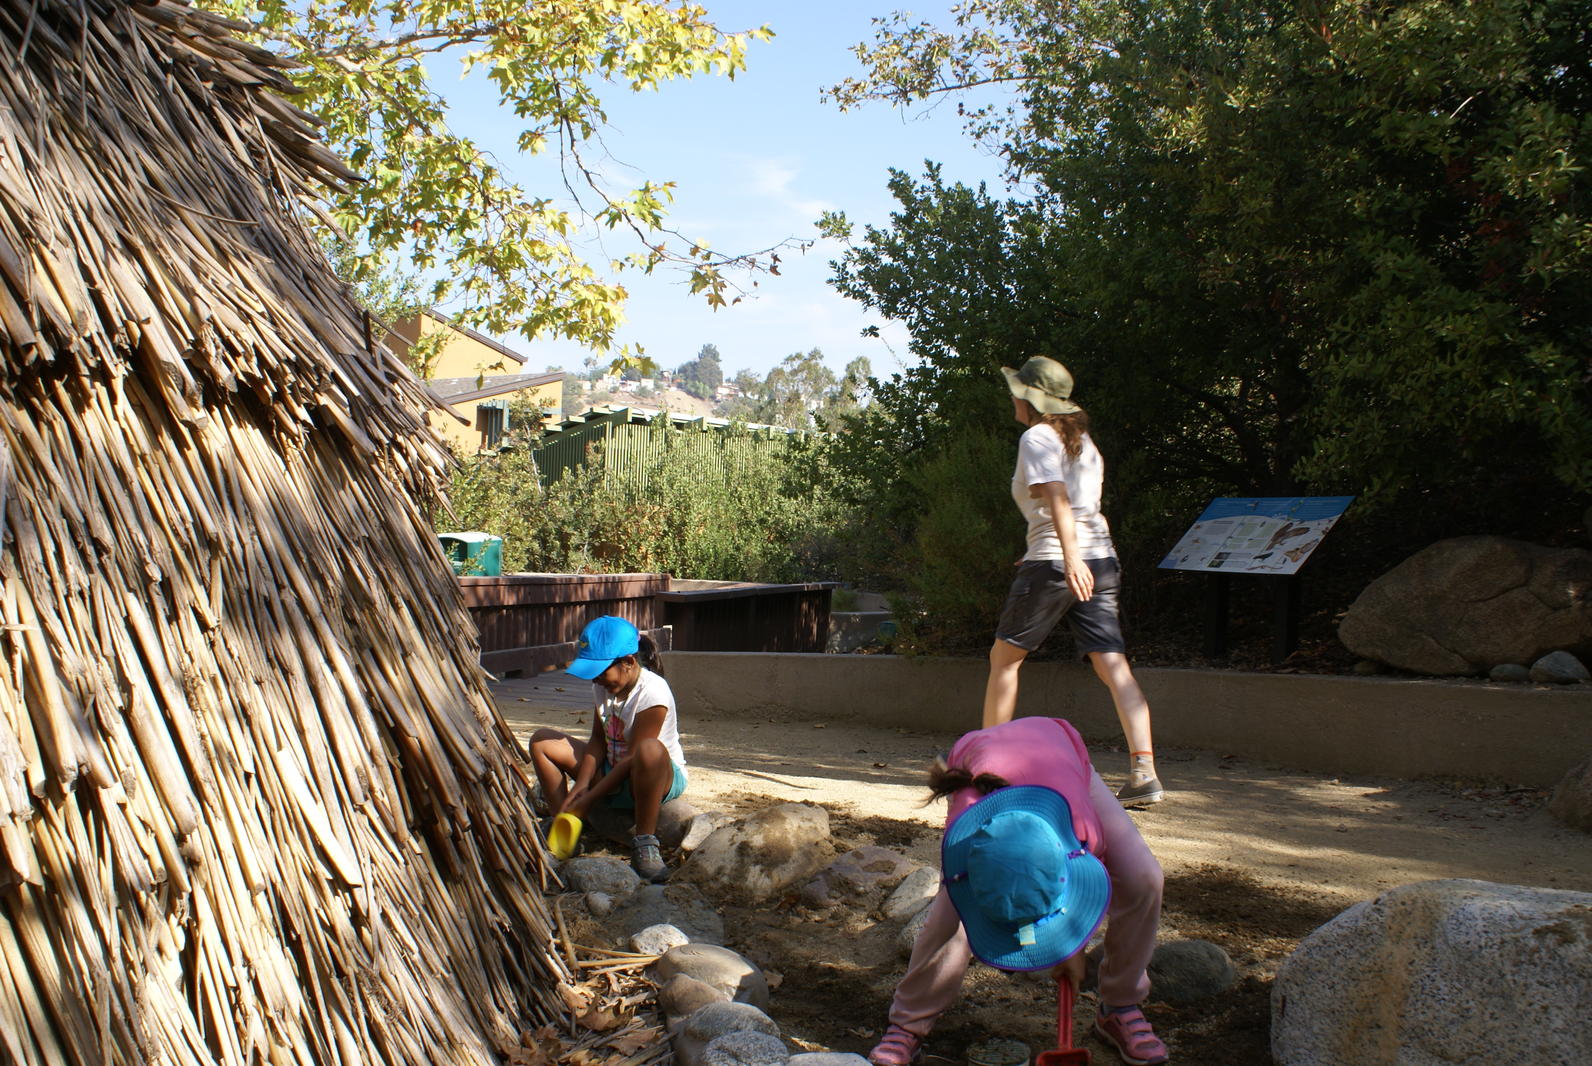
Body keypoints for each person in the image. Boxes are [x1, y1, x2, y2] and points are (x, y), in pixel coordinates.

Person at [867, 716, 1168, 1066]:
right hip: (980, 765)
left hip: (1060, 757)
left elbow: (1084, 897)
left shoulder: (1083, 833)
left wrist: (1071, 950)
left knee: (1143, 877)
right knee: (951, 918)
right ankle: (908, 1024)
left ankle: (1120, 1005)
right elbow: (966, 900)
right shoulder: (965, 841)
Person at [984, 355, 1164, 806]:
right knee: (1113, 665)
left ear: (1030, 397)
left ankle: (986, 768)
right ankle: (1145, 772)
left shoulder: (1036, 437)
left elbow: (1060, 501)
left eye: (1017, 390)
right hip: (1100, 558)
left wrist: (1065, 557)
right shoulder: (1084, 441)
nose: (1012, 396)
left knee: (1004, 660)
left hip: (1064, 561)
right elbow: (1074, 508)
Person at [527, 615, 688, 882]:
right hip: (612, 768)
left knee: (649, 749)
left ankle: (645, 842)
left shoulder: (653, 693)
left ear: (628, 662)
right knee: (542, 740)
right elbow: (597, 742)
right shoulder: (603, 687)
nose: (597, 679)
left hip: (649, 777)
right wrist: (580, 787)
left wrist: (589, 799)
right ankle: (565, 824)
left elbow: (633, 759)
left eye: (601, 672)